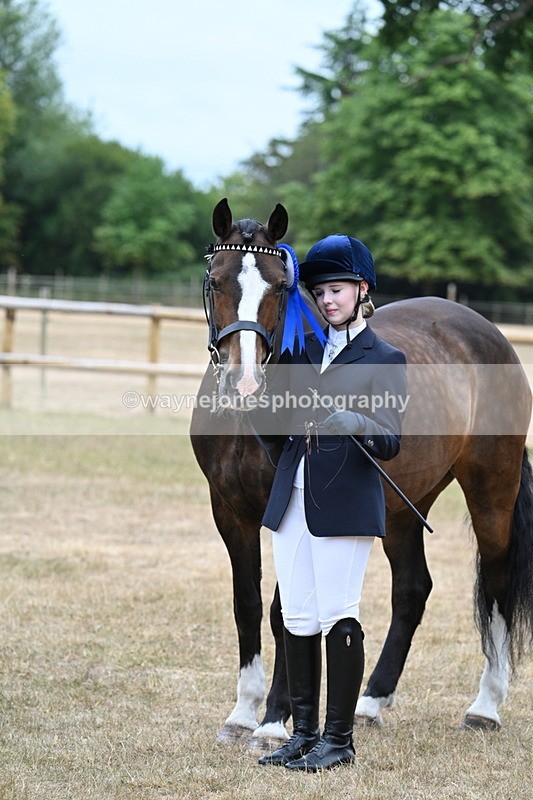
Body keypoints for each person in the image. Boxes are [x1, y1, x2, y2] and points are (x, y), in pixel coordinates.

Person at [258, 234, 407, 772]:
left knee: (337, 614)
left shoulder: (385, 357)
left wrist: (356, 422)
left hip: (344, 501)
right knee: (295, 614)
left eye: (337, 289)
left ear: (362, 290)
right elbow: (277, 433)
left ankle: (339, 739)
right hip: (291, 498)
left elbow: (390, 440)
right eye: (320, 291)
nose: (327, 300)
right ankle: (303, 734)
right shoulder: (302, 351)